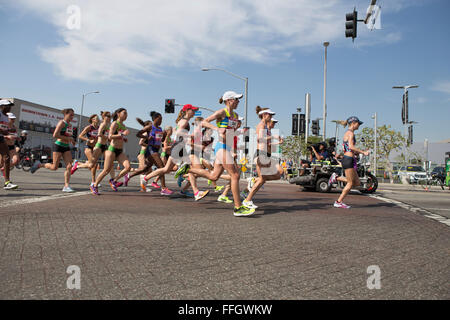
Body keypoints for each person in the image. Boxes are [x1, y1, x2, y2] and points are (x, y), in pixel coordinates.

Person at [175, 92, 255, 216]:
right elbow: (204, 122)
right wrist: (217, 129)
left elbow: (230, 133)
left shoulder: (236, 115)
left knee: (213, 176)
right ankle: (238, 208)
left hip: (227, 148)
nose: (238, 101)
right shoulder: (222, 112)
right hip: (221, 147)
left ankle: (188, 169)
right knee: (235, 175)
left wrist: (236, 139)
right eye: (236, 99)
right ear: (229, 100)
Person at [142, 104, 209, 201]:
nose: (194, 112)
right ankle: (195, 192)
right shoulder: (184, 122)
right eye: (192, 110)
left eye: (195, 111)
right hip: (178, 148)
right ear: (187, 111)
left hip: (179, 148)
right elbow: (178, 135)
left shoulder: (184, 121)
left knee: (169, 169)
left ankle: (146, 178)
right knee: (171, 169)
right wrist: (189, 139)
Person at [242, 107, 284, 209]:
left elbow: (267, 142)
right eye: (270, 115)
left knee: (278, 174)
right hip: (261, 154)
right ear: (264, 115)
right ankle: (247, 200)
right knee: (262, 179)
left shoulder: (265, 126)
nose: (271, 117)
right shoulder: (261, 125)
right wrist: (273, 137)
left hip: (265, 154)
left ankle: (253, 181)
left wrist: (277, 142)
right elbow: (260, 139)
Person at [30, 108, 77, 192]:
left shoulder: (70, 125)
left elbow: (69, 136)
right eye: (70, 115)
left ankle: (66, 186)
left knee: (69, 166)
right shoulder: (61, 123)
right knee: (54, 167)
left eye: (73, 115)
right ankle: (40, 165)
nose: (72, 117)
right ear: (65, 114)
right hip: (58, 146)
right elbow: (55, 135)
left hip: (66, 147)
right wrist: (68, 138)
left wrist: (72, 141)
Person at [328, 116, 370, 209]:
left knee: (357, 182)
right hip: (348, 159)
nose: (359, 126)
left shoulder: (347, 133)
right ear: (353, 123)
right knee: (350, 183)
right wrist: (363, 152)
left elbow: (346, 148)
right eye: (358, 124)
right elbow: (351, 147)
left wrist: (356, 153)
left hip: (348, 158)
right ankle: (338, 201)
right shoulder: (350, 134)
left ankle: (337, 177)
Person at [90, 108, 131, 195]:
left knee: (128, 167)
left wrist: (124, 138)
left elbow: (118, 136)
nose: (126, 115)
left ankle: (114, 180)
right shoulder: (114, 123)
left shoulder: (123, 125)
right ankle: (95, 185)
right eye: (124, 113)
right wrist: (122, 134)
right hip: (112, 150)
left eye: (127, 113)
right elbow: (110, 136)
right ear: (118, 114)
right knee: (106, 170)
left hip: (120, 151)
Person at [71, 114, 100, 185]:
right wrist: (88, 140)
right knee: (93, 164)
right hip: (88, 148)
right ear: (92, 120)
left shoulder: (99, 128)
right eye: (96, 118)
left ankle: (78, 164)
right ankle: (93, 182)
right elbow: (80, 136)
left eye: (98, 118)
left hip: (95, 148)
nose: (98, 119)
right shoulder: (89, 127)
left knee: (92, 165)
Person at [0, 99, 18, 190]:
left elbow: (4, 129)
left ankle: (7, 182)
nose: (10, 107)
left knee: (6, 157)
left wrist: (9, 132)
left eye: (10, 106)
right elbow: (3, 130)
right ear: (2, 106)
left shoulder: (6, 117)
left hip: (0, 138)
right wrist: (5, 132)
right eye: (7, 105)